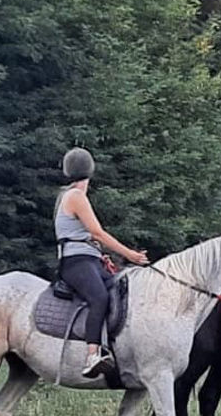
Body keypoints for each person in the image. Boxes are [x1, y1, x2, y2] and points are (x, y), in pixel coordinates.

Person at [53, 148, 149, 378]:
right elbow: (97, 233)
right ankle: (92, 354)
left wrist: (98, 255)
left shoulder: (69, 195)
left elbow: (87, 237)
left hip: (88, 259)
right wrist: (130, 255)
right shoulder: (76, 197)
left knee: (121, 290)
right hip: (75, 262)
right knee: (99, 297)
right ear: (90, 170)